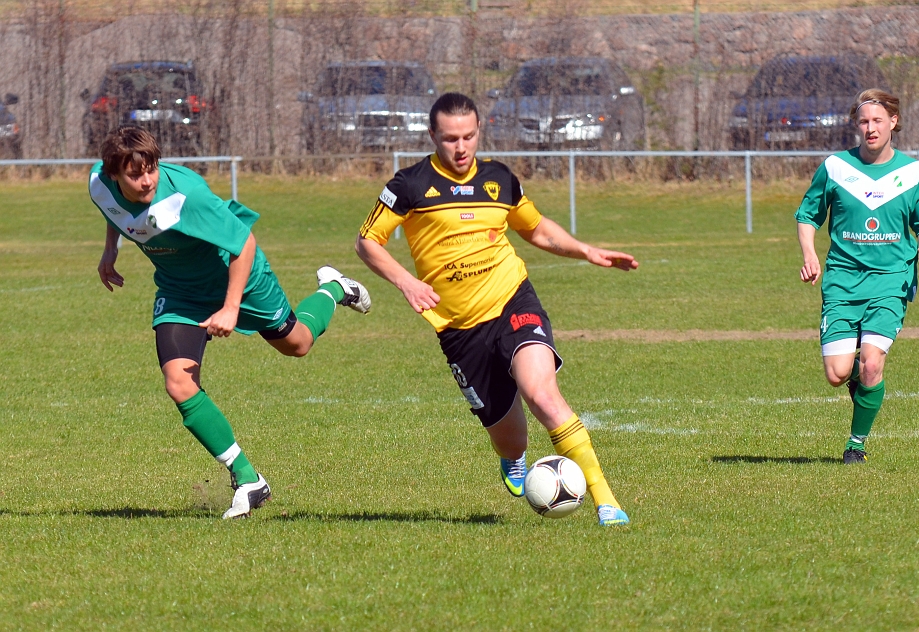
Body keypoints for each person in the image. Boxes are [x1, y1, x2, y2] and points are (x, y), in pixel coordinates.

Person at [355, 93, 638, 526]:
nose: (461, 146)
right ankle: (514, 457)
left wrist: (585, 250)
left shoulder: (499, 179)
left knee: (542, 393)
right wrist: (407, 282)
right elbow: (367, 242)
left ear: (479, 129)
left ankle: (607, 503)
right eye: (450, 138)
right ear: (433, 135)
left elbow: (536, 228)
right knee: (510, 439)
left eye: (469, 135)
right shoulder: (408, 185)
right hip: (460, 330)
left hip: (512, 300)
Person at [90, 126, 372, 518]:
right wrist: (109, 251)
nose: (146, 180)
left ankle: (334, 290)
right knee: (179, 384)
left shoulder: (186, 196)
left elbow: (244, 243)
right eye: (135, 174)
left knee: (298, 344)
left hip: (238, 273)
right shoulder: (99, 184)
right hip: (180, 290)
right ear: (114, 173)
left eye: (151, 168)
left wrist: (230, 307)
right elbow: (114, 212)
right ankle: (248, 478)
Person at [796, 89, 919, 464]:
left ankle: (855, 445)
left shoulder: (912, 173)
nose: (870, 128)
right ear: (855, 125)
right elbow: (808, 215)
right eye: (863, 121)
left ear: (893, 122)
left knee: (872, 362)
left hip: (892, 279)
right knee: (837, 373)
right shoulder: (835, 167)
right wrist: (810, 254)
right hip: (842, 279)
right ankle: (860, 383)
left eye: (878, 120)